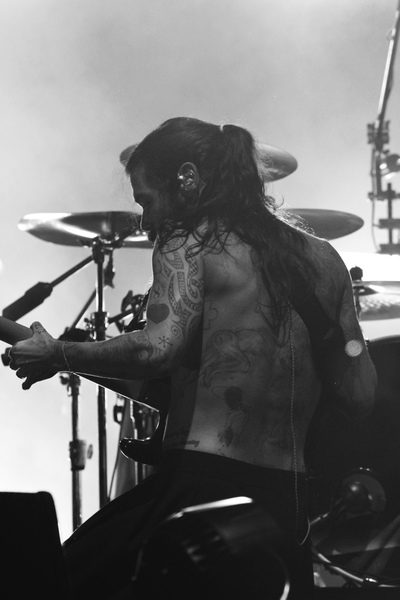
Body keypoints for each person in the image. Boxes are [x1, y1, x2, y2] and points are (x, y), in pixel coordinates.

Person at [8, 117, 377, 599]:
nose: (146, 221)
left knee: (46, 582)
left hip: (201, 491)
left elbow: (156, 349)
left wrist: (60, 352)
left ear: (186, 178)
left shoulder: (189, 241)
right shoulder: (326, 259)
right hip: (285, 510)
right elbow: (361, 393)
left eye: (146, 200)